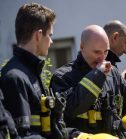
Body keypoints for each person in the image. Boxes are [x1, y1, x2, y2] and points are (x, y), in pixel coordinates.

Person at [50, 25, 126, 138]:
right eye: (96, 52)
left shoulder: (113, 73)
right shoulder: (62, 77)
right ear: (82, 47)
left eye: (105, 52)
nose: (102, 58)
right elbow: (68, 112)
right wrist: (97, 75)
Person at [0, 3, 83, 139]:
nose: (51, 41)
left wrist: (77, 135)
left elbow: (49, 128)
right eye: (49, 35)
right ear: (38, 35)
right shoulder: (14, 77)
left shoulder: (31, 72)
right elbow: (23, 135)